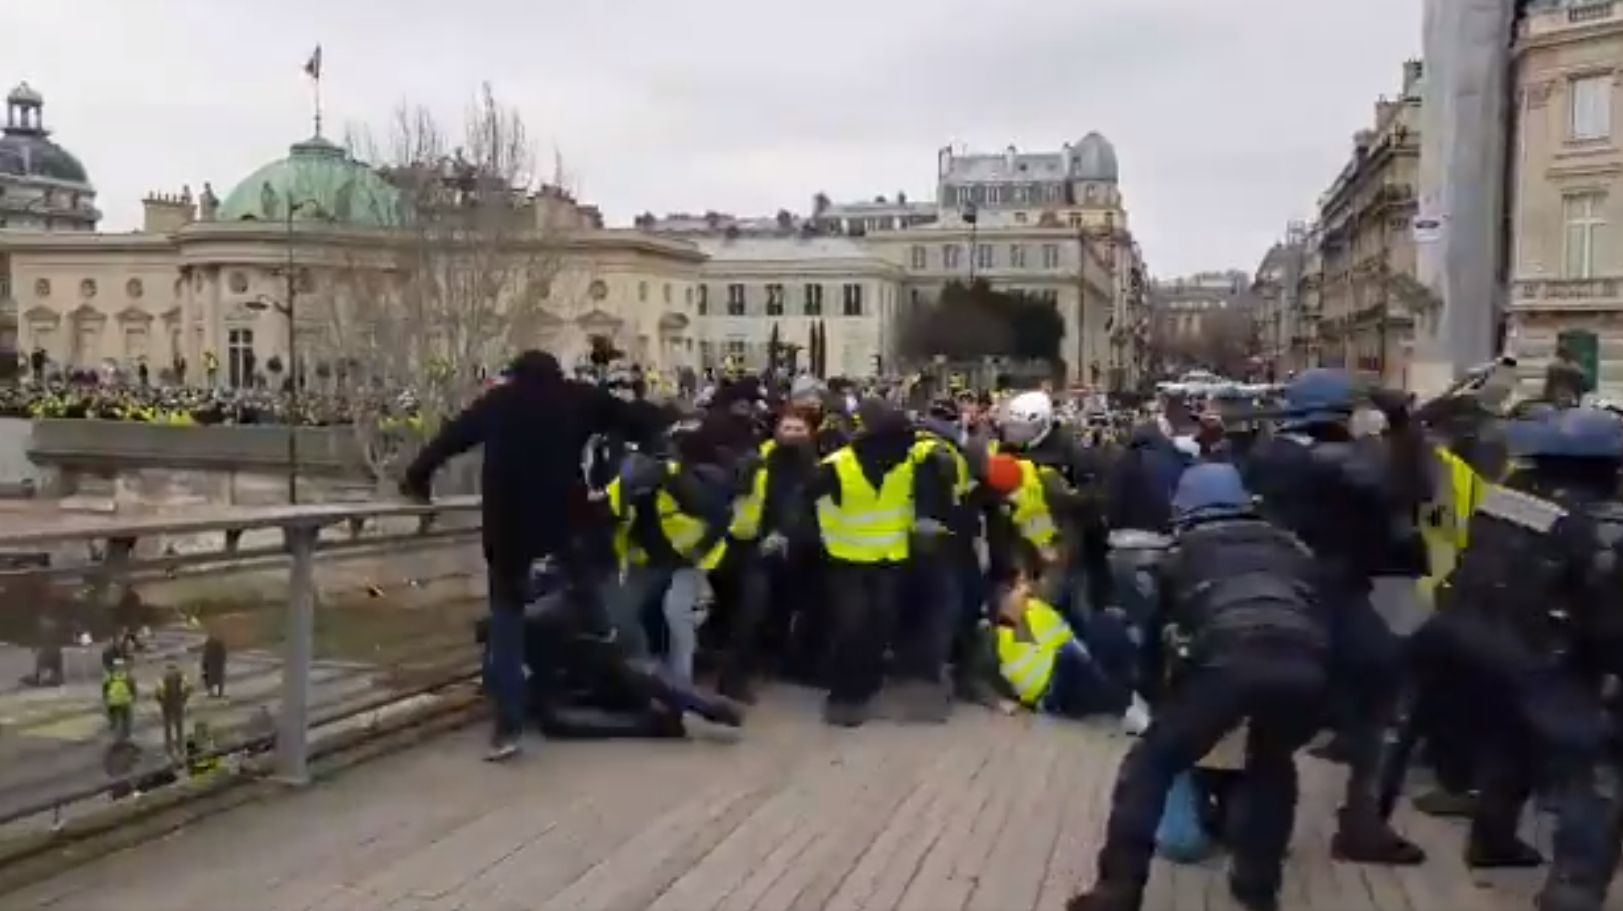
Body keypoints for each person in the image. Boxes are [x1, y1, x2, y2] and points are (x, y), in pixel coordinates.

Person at [1068, 464, 1330, 911]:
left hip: (1230, 664)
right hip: (1306, 669)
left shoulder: (1181, 555)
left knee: (1150, 765)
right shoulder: (1293, 548)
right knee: (1272, 766)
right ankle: (1258, 888)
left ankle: (1119, 889)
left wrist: (1157, 700)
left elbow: (1156, 644)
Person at [1409, 408, 1623, 911]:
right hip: (1553, 656)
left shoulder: (1505, 500)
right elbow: (1608, 618)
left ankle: (1493, 839)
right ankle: (1573, 887)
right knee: (1593, 770)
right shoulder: (1603, 527)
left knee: (1513, 739)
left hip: (1481, 643)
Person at [402, 349, 646, 762]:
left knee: (507, 624)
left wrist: (417, 478)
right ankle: (611, 645)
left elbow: (449, 440)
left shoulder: (499, 403)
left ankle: (508, 727)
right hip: (562, 521)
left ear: (515, 374)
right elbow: (634, 418)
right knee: (585, 583)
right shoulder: (577, 397)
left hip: (508, 528)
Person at [1240, 368, 1425, 865]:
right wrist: (1401, 423)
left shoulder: (1270, 453)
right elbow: (1407, 487)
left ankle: (1253, 825)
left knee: (1278, 714)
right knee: (1379, 687)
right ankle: (1360, 821)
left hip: (1283, 591)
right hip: (1329, 594)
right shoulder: (1331, 458)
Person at [155, 661, 192, 758]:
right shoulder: (181, 674)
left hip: (167, 704)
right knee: (179, 725)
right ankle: (180, 747)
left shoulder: (163, 675)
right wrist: (184, 699)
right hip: (178, 703)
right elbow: (188, 687)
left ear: (167, 666)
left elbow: (158, 690)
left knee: (167, 726)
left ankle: (169, 748)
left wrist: (161, 701)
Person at [103, 656, 136, 743]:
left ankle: (112, 725)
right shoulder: (128, 676)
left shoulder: (110, 677)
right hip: (125, 701)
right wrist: (133, 698)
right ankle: (127, 734)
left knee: (111, 714)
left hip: (113, 702)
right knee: (128, 718)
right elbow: (133, 688)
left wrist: (106, 698)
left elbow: (105, 688)